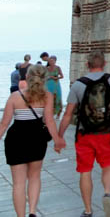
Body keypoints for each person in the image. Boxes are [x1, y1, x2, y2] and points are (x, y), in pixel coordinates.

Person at [58, 50, 110, 217]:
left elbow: (68, 114)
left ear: (87, 65)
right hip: (106, 133)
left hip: (85, 135)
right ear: (104, 64)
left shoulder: (78, 85)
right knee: (108, 166)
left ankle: (88, 210)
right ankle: (106, 192)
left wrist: (59, 136)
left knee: (85, 171)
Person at [0, 65, 67, 217]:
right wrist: (57, 140)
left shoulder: (14, 97)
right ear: (44, 78)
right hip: (37, 139)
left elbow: (4, 123)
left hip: (15, 140)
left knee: (18, 183)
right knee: (35, 176)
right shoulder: (47, 96)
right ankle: (32, 212)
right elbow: (49, 121)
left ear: (26, 78)